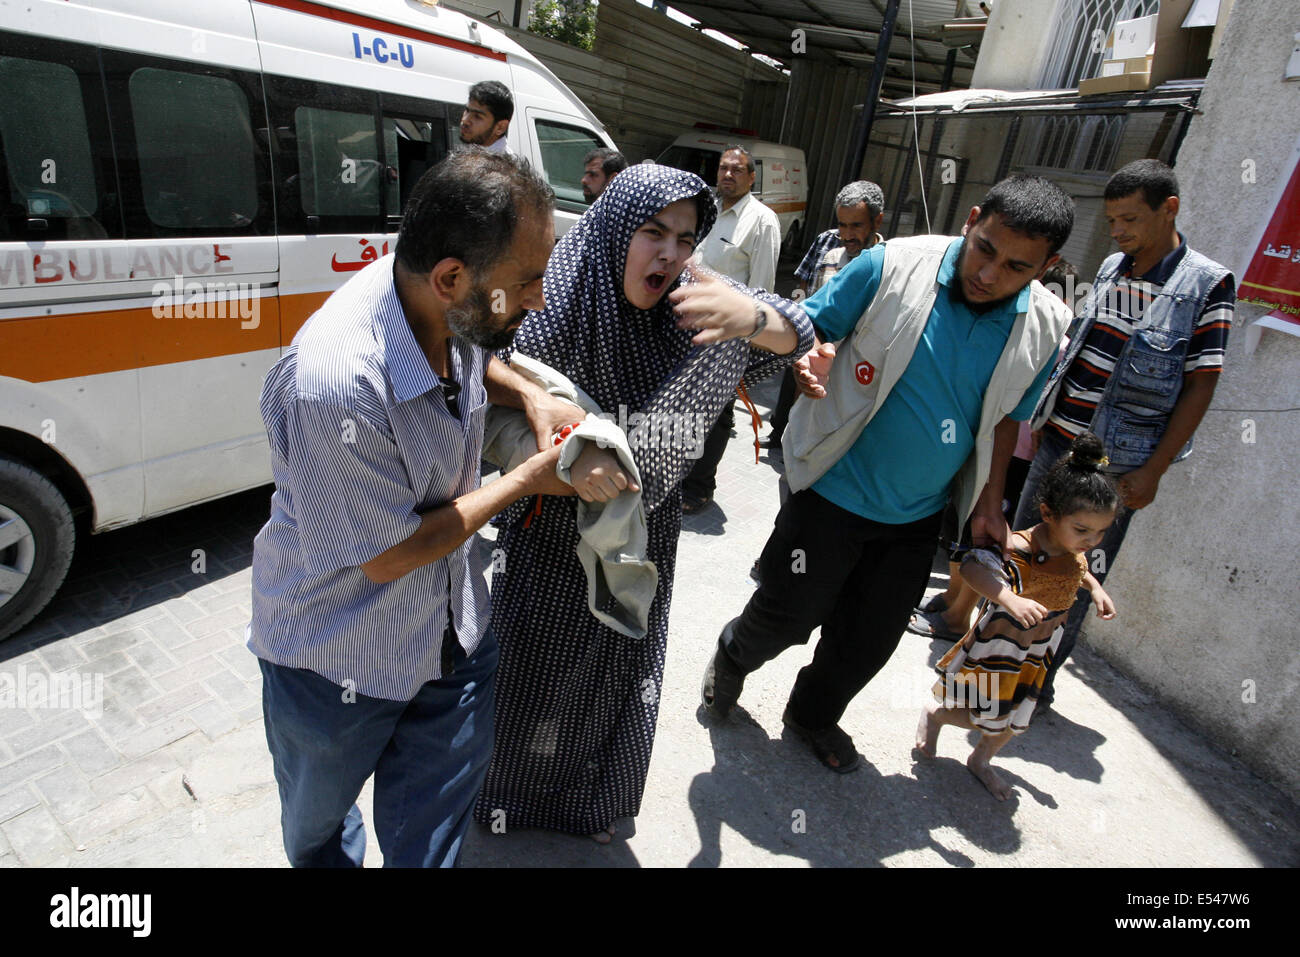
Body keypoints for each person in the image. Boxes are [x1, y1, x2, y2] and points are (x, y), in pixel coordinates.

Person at [248, 149, 584, 868]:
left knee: (429, 843)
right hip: (336, 665)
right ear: (452, 277)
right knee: (317, 835)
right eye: (526, 281)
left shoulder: (434, 295)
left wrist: (526, 392)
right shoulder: (334, 384)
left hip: (453, 635)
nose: (541, 298)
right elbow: (390, 555)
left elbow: (468, 346)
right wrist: (526, 477)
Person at [472, 164, 813, 842]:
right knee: (533, 665)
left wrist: (753, 316)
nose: (671, 254)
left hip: (644, 526)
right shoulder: (558, 286)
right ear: (615, 226)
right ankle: (509, 795)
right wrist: (566, 437)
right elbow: (475, 366)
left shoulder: (694, 300)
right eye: (654, 232)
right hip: (549, 518)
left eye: (687, 239)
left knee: (614, 667)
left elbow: (799, 332)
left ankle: (595, 802)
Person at [701, 174, 1076, 774]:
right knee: (787, 613)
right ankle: (732, 656)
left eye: (1016, 266)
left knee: (868, 640)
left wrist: (988, 502)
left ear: (1048, 265)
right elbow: (808, 325)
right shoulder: (891, 265)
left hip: (919, 514)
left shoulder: (1047, 325)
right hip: (830, 487)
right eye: (985, 248)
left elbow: (1010, 418)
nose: (989, 274)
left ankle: (812, 715)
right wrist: (775, 335)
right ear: (971, 219)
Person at [1014, 159, 1235, 715]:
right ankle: (992, 655)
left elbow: (1200, 386)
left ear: (1170, 209)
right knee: (1021, 551)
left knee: (1074, 575)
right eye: (1113, 220)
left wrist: (1154, 470)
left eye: (1131, 218)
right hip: (1056, 440)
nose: (1119, 232)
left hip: (1116, 466)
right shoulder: (1114, 265)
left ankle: (1034, 682)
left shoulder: (1207, 284)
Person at [914, 431, 1119, 800]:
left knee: (1016, 720)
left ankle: (981, 760)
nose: (1091, 540)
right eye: (1082, 530)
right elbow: (975, 568)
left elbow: (1078, 568)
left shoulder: (1072, 550)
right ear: (1047, 514)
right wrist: (1009, 599)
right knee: (984, 712)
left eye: (1101, 532)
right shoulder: (1020, 545)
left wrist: (1097, 589)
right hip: (1001, 647)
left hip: (1037, 653)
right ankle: (936, 714)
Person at [909, 259, 1079, 640]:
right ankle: (952, 600)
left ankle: (958, 617)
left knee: (984, 541)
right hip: (988, 449)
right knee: (960, 531)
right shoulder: (1015, 329)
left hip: (1017, 460)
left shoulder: (1055, 344)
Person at [680, 145, 782, 513]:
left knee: (719, 410)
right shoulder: (705, 209)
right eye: (724, 168)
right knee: (688, 403)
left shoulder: (761, 220)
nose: (728, 175)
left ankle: (700, 487)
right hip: (688, 323)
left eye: (737, 170)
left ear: (752, 178)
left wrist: (752, 338)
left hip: (728, 334)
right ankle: (679, 473)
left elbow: (763, 287)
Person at [767, 180, 887, 451]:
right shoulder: (830, 255)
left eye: (856, 225)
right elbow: (811, 301)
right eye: (842, 225)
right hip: (818, 365)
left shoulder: (889, 265)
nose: (846, 234)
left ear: (877, 221)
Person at [459, 80, 513, 153]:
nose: (465, 120)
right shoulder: (472, 154)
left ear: (500, 127)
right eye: (467, 111)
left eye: (477, 116)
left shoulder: (502, 163)